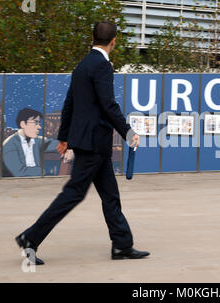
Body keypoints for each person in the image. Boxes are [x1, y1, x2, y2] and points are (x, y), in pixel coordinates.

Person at [15, 21, 149, 265]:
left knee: (110, 195)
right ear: (114, 41)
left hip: (89, 143)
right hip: (94, 143)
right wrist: (129, 132)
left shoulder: (82, 65)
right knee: (73, 194)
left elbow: (69, 103)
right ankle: (30, 238)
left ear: (93, 37)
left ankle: (122, 245)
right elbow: (109, 105)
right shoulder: (102, 66)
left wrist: (64, 137)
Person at [2, 108, 70, 177]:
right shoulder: (9, 144)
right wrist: (42, 171)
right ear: (23, 124)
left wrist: (70, 148)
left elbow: (58, 145)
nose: (39, 127)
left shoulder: (37, 141)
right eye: (35, 123)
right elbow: (19, 173)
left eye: (39, 123)